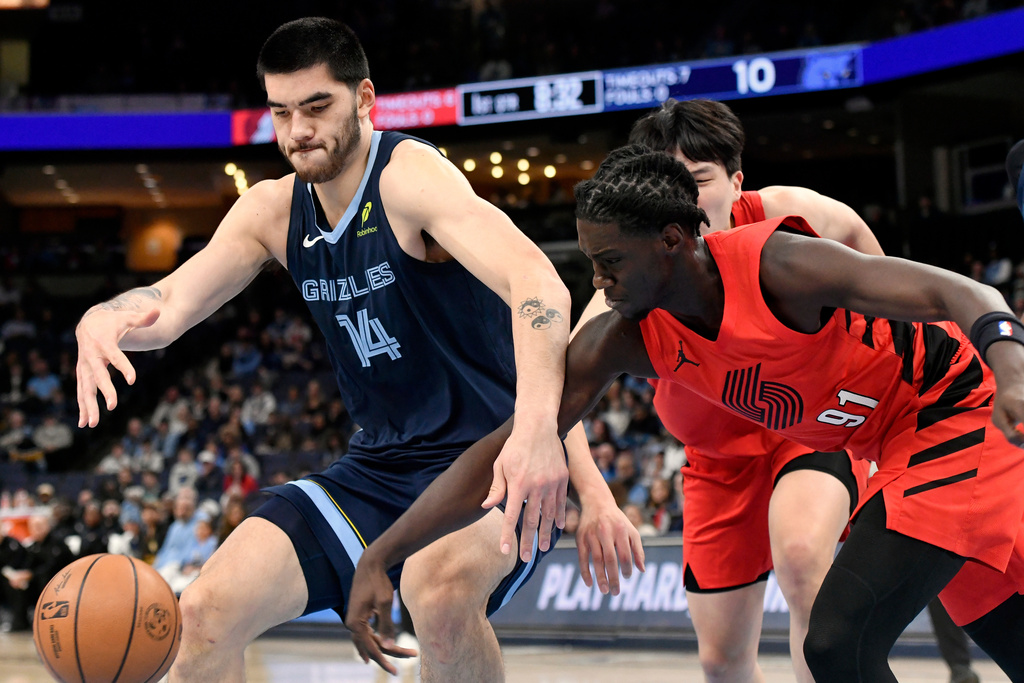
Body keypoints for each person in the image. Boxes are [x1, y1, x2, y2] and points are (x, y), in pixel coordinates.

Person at [74, 17, 638, 682]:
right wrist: (103, 316)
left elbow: (538, 283)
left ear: (364, 99)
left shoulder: (410, 178)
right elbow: (167, 306)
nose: (298, 131)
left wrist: (543, 435)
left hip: (486, 466)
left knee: (440, 593)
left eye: (318, 107)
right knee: (202, 610)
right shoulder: (271, 211)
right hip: (375, 469)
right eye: (282, 112)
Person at [344, 146, 1024, 682]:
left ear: (672, 240)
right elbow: (512, 445)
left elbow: (958, 289)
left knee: (838, 641)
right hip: (890, 446)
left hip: (960, 412)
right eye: (590, 263)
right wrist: (384, 551)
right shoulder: (628, 336)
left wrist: (1013, 367)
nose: (599, 282)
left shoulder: (779, 266)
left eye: (609, 262)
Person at [570, 97, 881, 682]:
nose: (680, 201)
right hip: (716, 464)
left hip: (809, 429)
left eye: (698, 181)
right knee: (720, 662)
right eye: (661, 185)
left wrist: (888, 371)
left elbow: (868, 249)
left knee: (801, 559)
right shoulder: (629, 282)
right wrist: (595, 496)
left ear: (738, 182)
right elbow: (554, 401)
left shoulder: (790, 215)